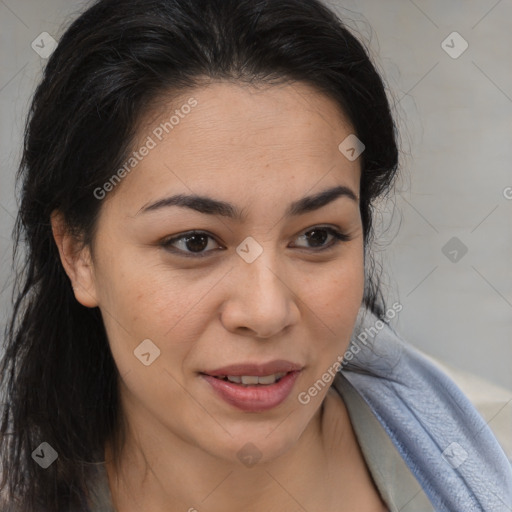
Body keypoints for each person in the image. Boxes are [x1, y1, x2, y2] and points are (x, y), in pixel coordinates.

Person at [1, 0, 510, 510]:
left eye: (316, 236)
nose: (267, 312)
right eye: (195, 241)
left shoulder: (495, 456)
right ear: (77, 255)